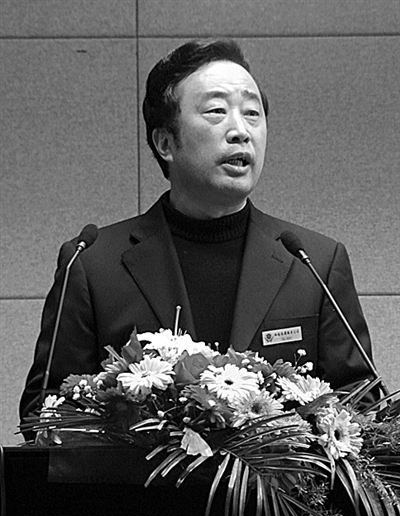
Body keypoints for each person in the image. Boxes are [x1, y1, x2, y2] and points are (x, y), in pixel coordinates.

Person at [20, 39, 375, 428]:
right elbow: (44, 414)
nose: (241, 131)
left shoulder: (313, 263)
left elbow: (363, 408)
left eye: (252, 113)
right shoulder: (93, 265)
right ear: (165, 142)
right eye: (217, 111)